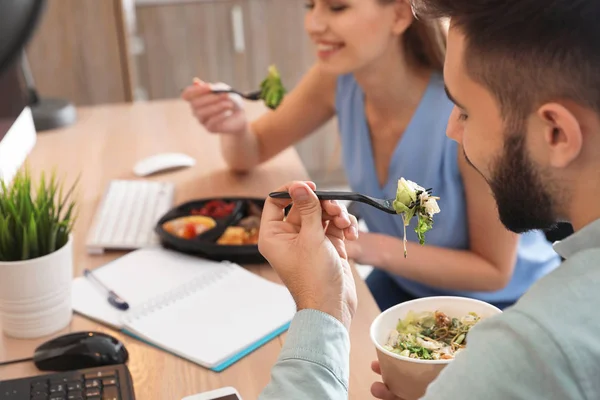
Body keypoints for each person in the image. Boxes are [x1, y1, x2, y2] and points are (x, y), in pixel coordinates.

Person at [256, 0, 600, 399]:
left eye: (466, 112)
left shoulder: (532, 348)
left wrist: (320, 308)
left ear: (556, 133)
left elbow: (495, 278)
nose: (451, 129)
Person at [182, 0, 559, 312]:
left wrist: (365, 246)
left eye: (337, 7)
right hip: (406, 284)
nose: (314, 24)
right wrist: (233, 127)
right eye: (310, 6)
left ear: (399, 14)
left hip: (502, 304)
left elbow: (494, 271)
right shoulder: (338, 77)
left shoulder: (466, 117)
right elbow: (251, 151)